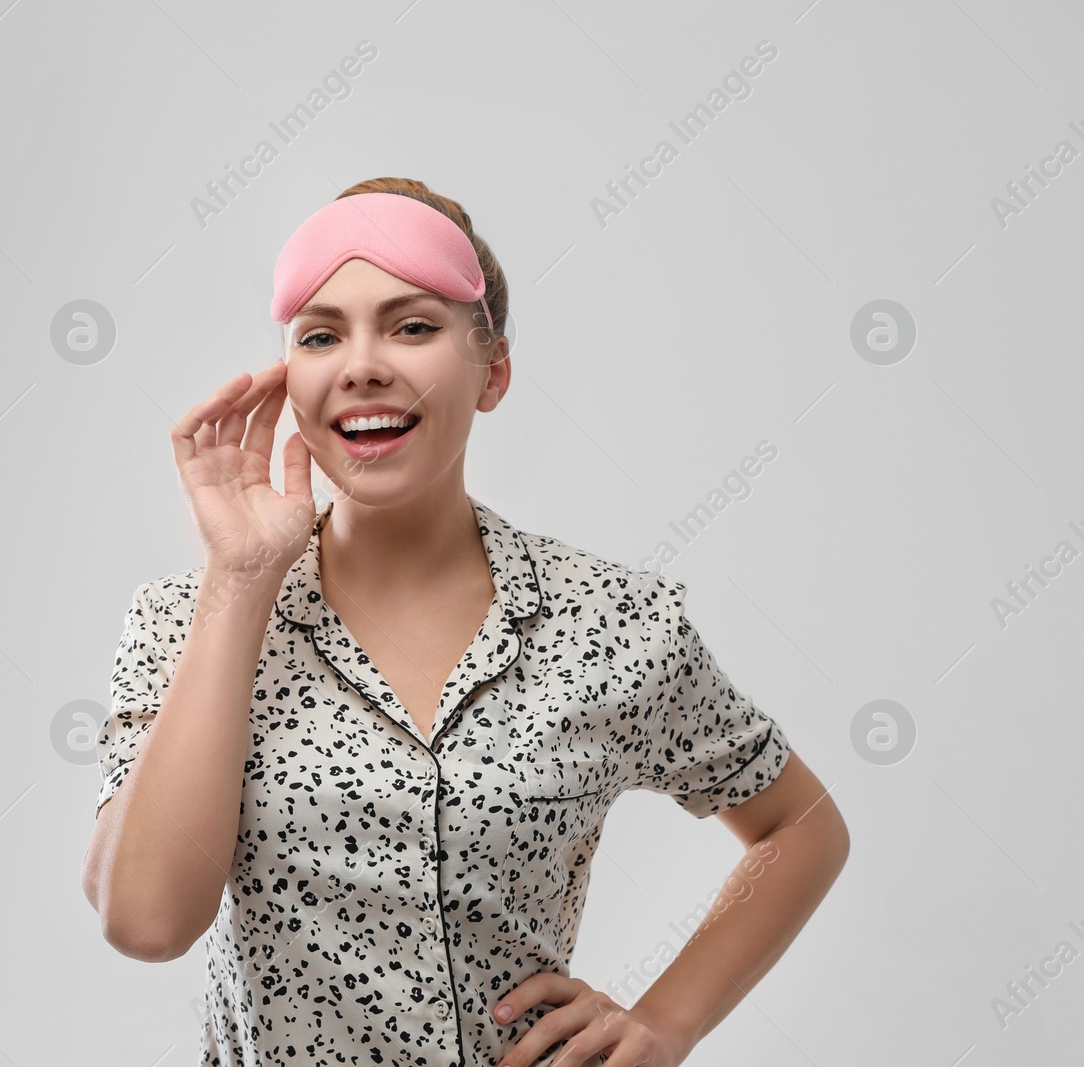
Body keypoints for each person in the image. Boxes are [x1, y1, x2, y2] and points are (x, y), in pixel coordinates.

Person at [82, 177, 849, 1067]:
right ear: (292, 380)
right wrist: (243, 581)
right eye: (322, 334)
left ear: (493, 371)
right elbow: (145, 921)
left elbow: (803, 824)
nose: (363, 363)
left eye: (412, 326)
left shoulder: (613, 622)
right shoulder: (189, 619)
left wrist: (665, 1021)